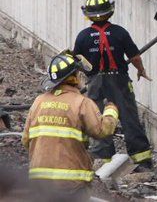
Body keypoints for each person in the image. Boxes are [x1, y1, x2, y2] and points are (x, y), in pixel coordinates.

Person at [72, 0, 153, 169]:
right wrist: (141, 70)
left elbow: (77, 62)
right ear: (110, 12)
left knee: (97, 119)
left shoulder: (83, 36)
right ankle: (142, 161)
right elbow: (134, 57)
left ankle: (103, 159)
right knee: (129, 118)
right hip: (119, 80)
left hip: (95, 82)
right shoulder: (119, 32)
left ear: (88, 15)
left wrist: (77, 83)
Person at [23, 51, 119, 191]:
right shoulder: (81, 103)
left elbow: (26, 140)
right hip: (71, 183)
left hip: (39, 182)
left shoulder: (38, 102)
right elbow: (102, 130)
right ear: (73, 77)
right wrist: (111, 109)